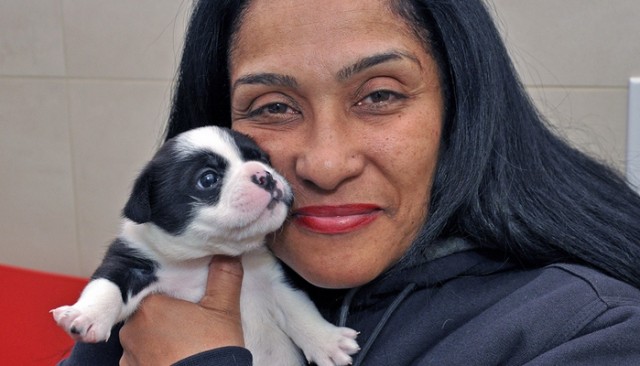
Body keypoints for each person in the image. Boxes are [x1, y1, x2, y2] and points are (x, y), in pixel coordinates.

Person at [60, 0, 640, 365]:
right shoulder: (177, 287)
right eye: (274, 107)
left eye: (380, 95)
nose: (325, 164)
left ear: (461, 110)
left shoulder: (592, 332)